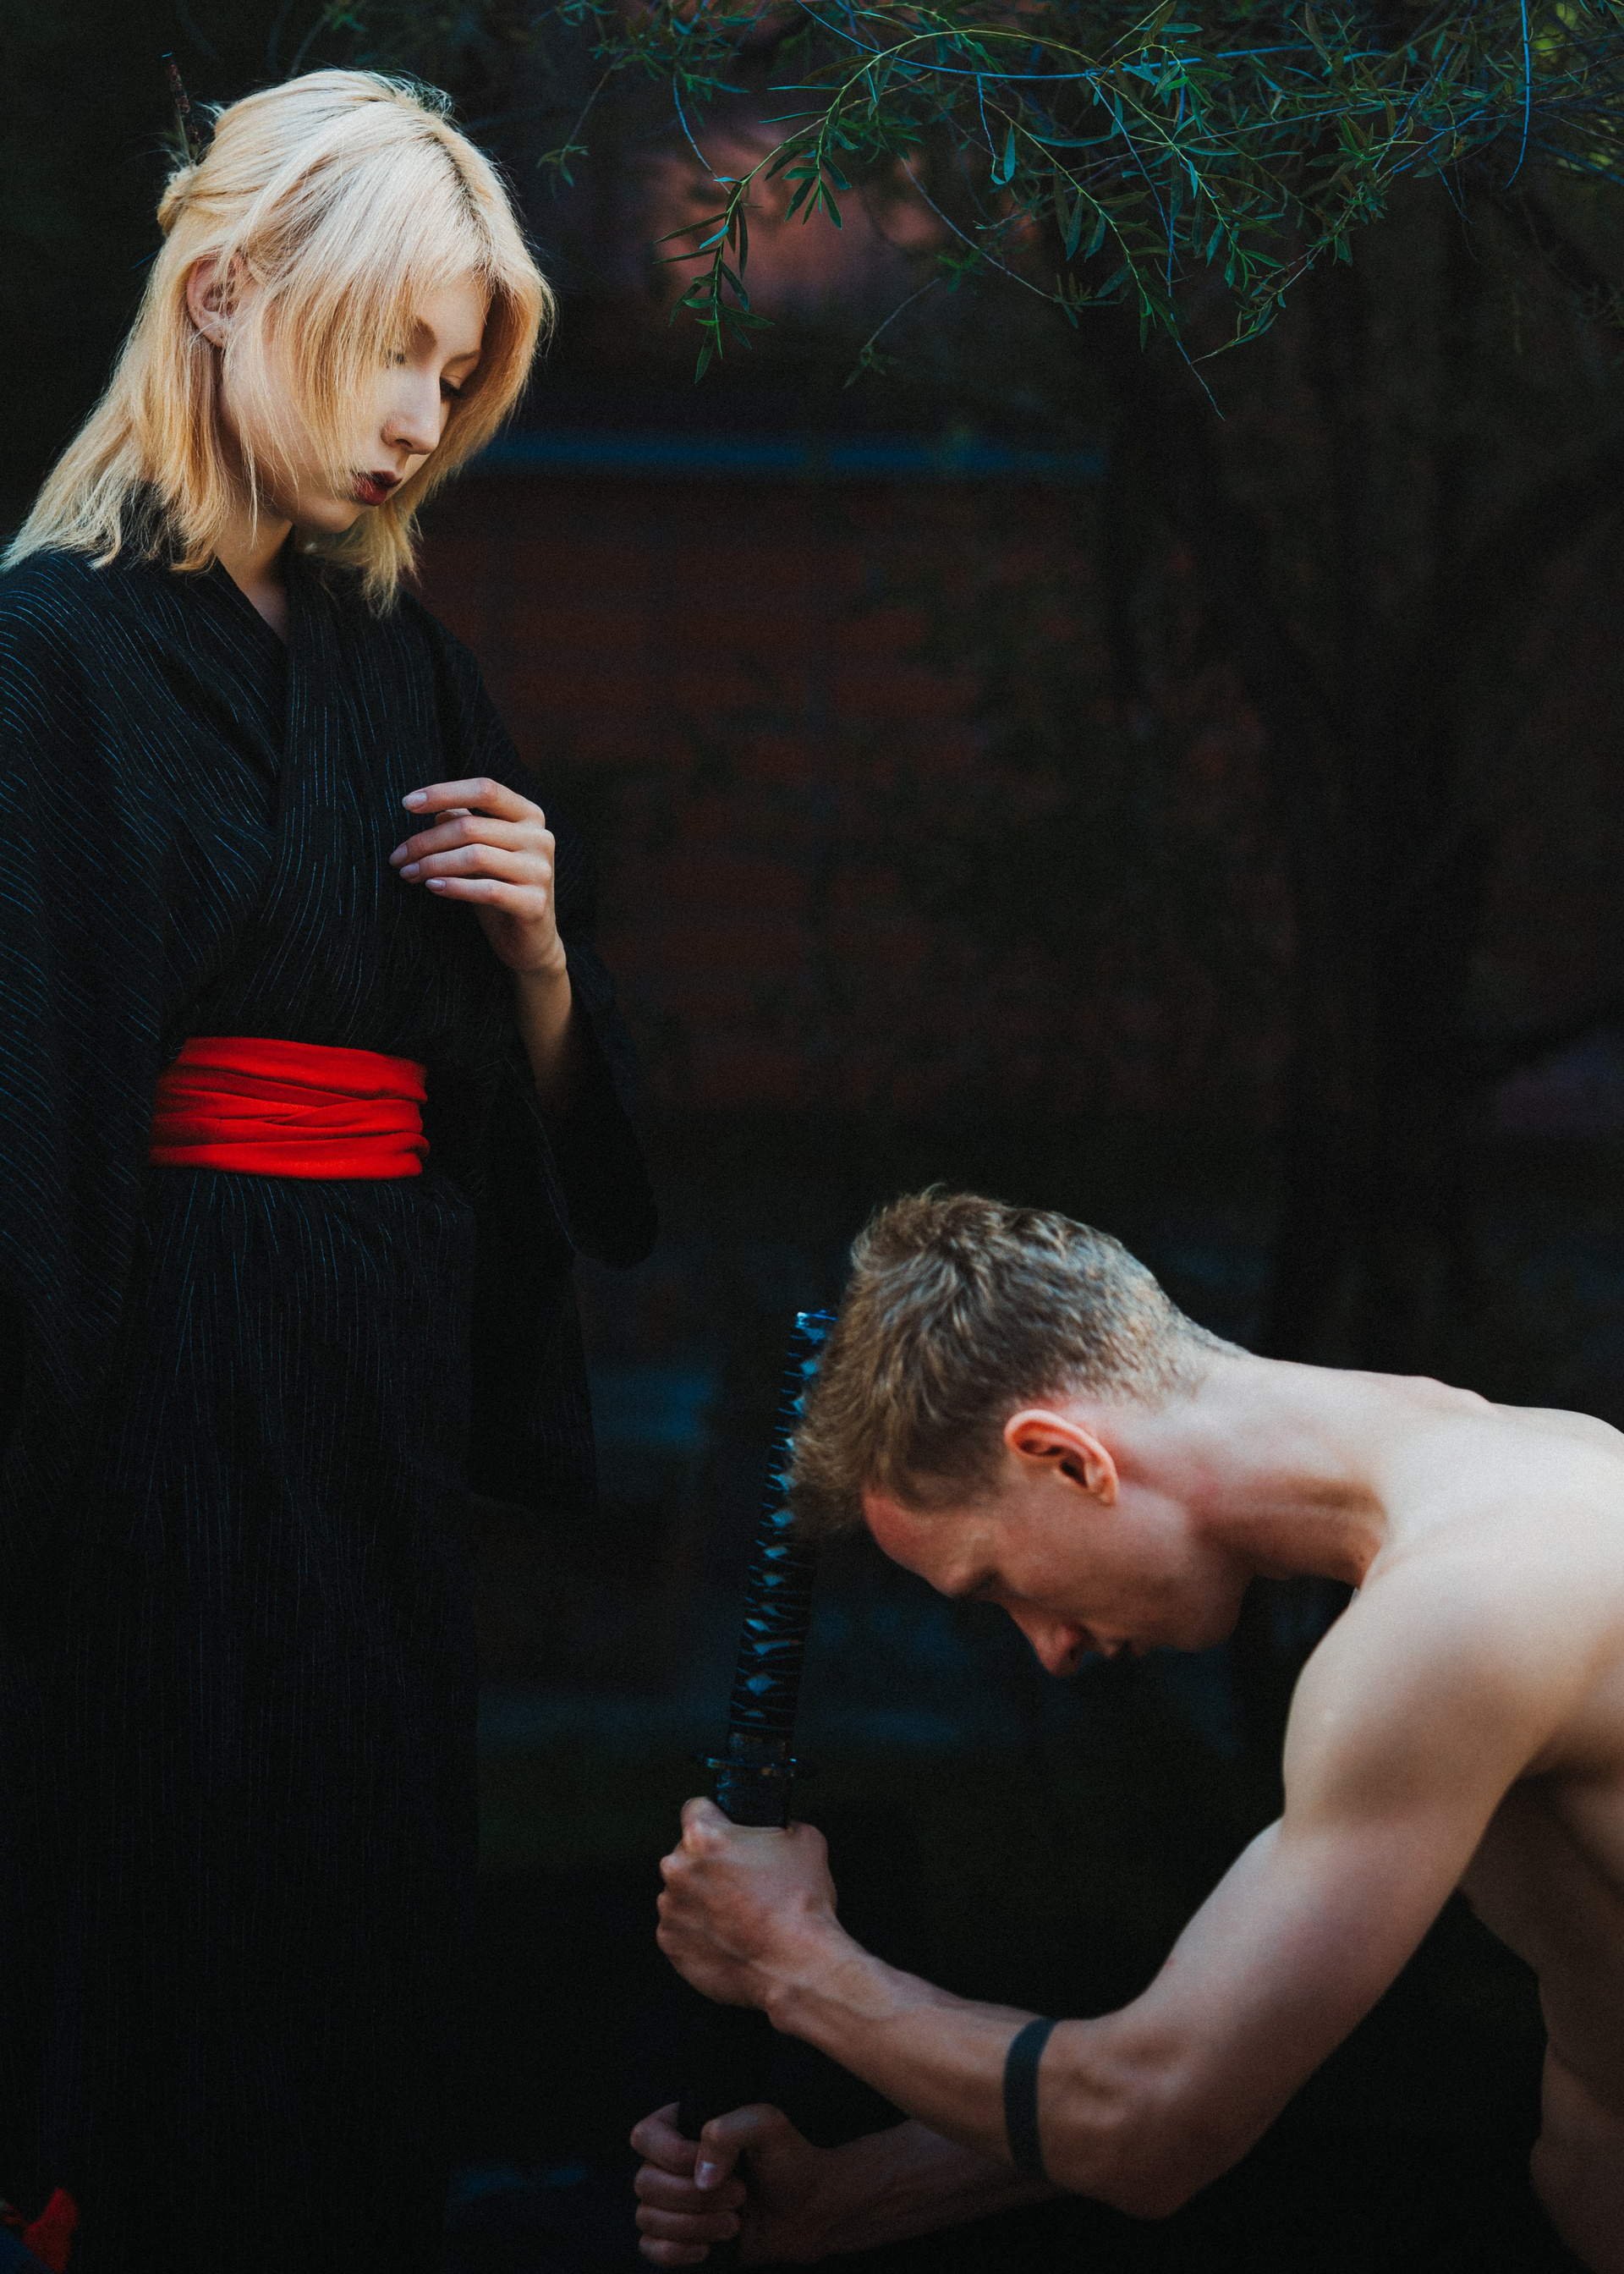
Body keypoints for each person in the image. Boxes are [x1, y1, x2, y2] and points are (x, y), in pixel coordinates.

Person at [0, 69, 655, 2274]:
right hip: (150, 1387)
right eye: (387, 347)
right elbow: (30, 1116)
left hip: (368, 1396)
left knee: (362, 1938)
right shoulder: (46, 659)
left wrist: (539, 959)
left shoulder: (414, 672)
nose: (415, 417)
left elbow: (533, 1130)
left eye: (453, 373)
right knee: (153, 1948)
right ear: (219, 294)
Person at [635, 1190, 1624, 2272]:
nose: (1050, 1649)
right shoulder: (1504, 1501)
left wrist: (790, 1957)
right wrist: (850, 2201)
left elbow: (1153, 2122)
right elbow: (1242, 2048)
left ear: (1068, 1460)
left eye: (998, 1583)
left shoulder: (1454, 1619)